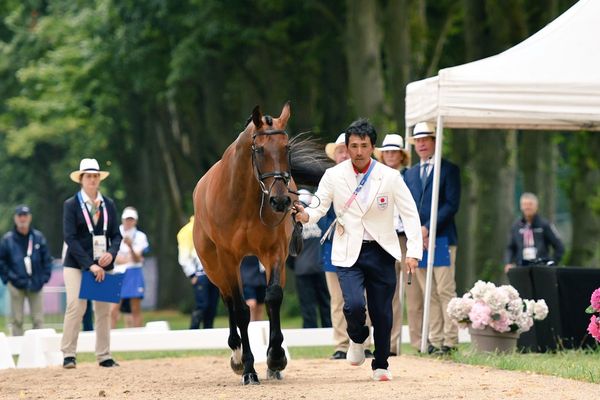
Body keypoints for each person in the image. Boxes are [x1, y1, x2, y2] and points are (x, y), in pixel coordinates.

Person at [295, 119, 422, 382]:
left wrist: (413, 252)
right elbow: (319, 208)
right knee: (352, 305)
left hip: (382, 251)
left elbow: (410, 214)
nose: (359, 151)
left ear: (372, 147)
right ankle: (357, 337)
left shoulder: (390, 176)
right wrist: (305, 216)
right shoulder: (334, 175)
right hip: (347, 251)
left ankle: (381, 363)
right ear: (347, 147)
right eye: (354, 146)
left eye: (364, 146)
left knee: (382, 312)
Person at [404, 122, 461, 356]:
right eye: (418, 141)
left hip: (443, 238)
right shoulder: (410, 173)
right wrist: (417, 232)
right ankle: (435, 340)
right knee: (429, 292)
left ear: (435, 142)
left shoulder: (449, 169)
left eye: (426, 139)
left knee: (445, 289)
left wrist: (429, 228)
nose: (422, 144)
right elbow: (407, 206)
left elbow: (451, 204)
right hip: (419, 240)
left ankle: (450, 340)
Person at [61, 158, 122, 368]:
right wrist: (90, 265)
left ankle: (104, 355)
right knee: (76, 306)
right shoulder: (70, 205)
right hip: (76, 264)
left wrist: (111, 254)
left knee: (103, 310)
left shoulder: (109, 204)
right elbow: (70, 238)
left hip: (103, 264)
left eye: (96, 176)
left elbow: (116, 235)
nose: (93, 180)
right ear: (81, 179)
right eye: (89, 176)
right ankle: (68, 354)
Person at [322, 133, 374, 360]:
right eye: (341, 151)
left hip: (362, 246)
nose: (345, 154)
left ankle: (366, 343)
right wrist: (334, 228)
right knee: (337, 299)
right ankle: (341, 345)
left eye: (347, 150)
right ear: (336, 156)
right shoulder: (328, 178)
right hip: (333, 246)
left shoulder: (367, 178)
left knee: (364, 298)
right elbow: (320, 210)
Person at [376, 134, 423, 353]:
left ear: (402, 154)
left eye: (394, 151)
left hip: (406, 238)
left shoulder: (411, 176)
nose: (390, 155)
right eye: (387, 152)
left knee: (413, 293)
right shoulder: (377, 177)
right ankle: (391, 344)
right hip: (386, 238)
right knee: (388, 293)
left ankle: (418, 342)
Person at [0, 205, 53, 336]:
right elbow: (1, 261)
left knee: (38, 319)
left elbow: (47, 259)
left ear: (29, 217)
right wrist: (8, 279)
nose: (22, 218)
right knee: (17, 319)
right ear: (15, 218)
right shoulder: (8, 239)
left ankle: (39, 349)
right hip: (16, 283)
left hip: (36, 283)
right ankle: (17, 349)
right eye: (20, 216)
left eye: (25, 215)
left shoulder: (38, 237)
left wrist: (44, 278)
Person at [288, 189, 332, 329]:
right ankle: (328, 330)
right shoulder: (320, 220)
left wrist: (297, 266)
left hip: (303, 270)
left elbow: (290, 253)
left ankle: (310, 332)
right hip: (320, 267)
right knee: (325, 303)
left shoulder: (293, 224)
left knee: (308, 306)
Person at [504, 192, 564, 272]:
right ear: (521, 206)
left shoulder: (545, 225)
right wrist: (509, 262)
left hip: (541, 269)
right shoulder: (516, 226)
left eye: (530, 204)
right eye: (525, 204)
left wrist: (551, 263)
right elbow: (510, 247)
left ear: (536, 206)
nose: (527, 207)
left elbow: (559, 247)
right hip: (521, 268)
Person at [177, 216, 220, 329]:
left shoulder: (213, 226)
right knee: (202, 305)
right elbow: (184, 256)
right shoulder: (187, 230)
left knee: (212, 307)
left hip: (215, 274)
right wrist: (192, 274)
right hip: (200, 274)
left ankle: (208, 332)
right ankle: (193, 331)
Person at [111, 207, 149, 328]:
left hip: (134, 272)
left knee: (135, 308)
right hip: (117, 272)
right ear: (122, 219)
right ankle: (108, 338)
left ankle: (138, 338)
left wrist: (130, 246)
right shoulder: (114, 233)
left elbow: (137, 258)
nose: (128, 222)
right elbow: (113, 257)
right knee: (113, 308)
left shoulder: (140, 236)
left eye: (131, 219)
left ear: (135, 221)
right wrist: (127, 257)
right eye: (127, 219)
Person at [240, 256, 267, 321]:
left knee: (260, 307)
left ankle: (258, 329)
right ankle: (250, 328)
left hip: (261, 275)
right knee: (251, 305)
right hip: (246, 273)